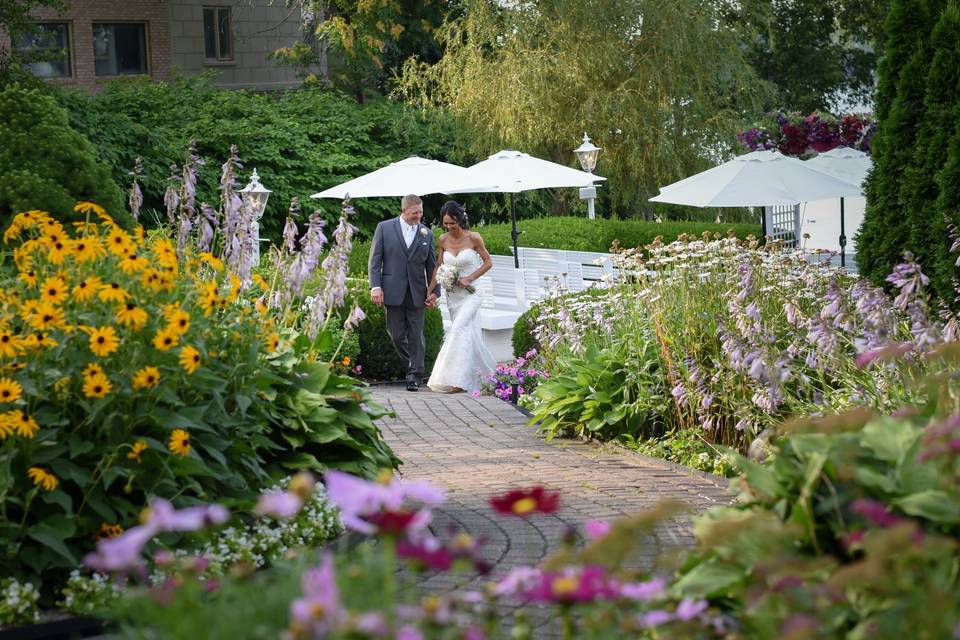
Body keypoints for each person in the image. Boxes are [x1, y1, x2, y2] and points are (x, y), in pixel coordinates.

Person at [369, 194, 440, 391]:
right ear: (404, 211)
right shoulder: (384, 228)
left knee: (416, 335)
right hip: (392, 289)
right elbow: (375, 260)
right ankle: (413, 365)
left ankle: (414, 376)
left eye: (421, 212)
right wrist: (375, 287)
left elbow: (432, 266)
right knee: (396, 335)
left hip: (418, 291)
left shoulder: (427, 233)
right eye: (414, 213)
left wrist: (434, 291)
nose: (419, 216)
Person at [427, 201, 497, 393]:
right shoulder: (442, 240)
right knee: (468, 334)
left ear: (460, 219)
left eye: (452, 223)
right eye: (446, 224)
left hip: (473, 293)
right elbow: (438, 267)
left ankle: (458, 381)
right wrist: (431, 292)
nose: (449, 227)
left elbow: (488, 262)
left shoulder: (474, 237)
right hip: (453, 296)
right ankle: (487, 376)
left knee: (457, 330)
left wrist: (469, 278)